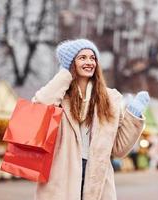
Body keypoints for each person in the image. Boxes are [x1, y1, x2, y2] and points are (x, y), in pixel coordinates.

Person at [32, 39, 150, 200]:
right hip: (61, 177)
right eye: (82, 58)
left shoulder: (110, 99)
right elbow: (40, 106)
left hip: (97, 178)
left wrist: (133, 115)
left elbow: (118, 149)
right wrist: (65, 74)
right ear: (71, 63)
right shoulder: (59, 96)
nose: (89, 62)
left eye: (92, 58)